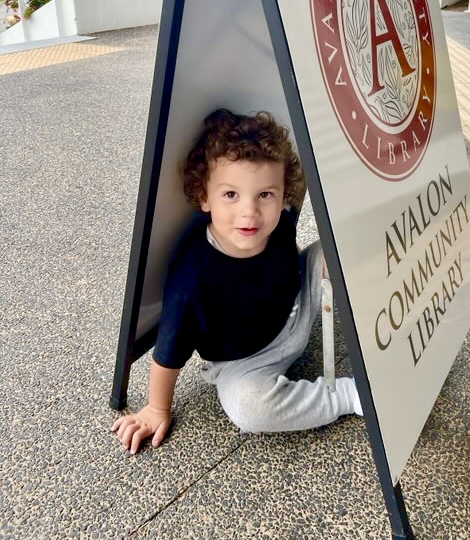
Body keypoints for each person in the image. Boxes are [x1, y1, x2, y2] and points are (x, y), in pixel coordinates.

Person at [112, 108, 362, 455]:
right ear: (204, 197)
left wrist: (323, 272)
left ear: (283, 194)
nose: (250, 211)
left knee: (341, 249)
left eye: (265, 195)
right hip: (243, 361)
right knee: (248, 408)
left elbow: (293, 258)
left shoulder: (280, 221)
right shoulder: (193, 279)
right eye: (231, 195)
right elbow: (166, 356)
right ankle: (348, 396)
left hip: (296, 309)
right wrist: (157, 409)